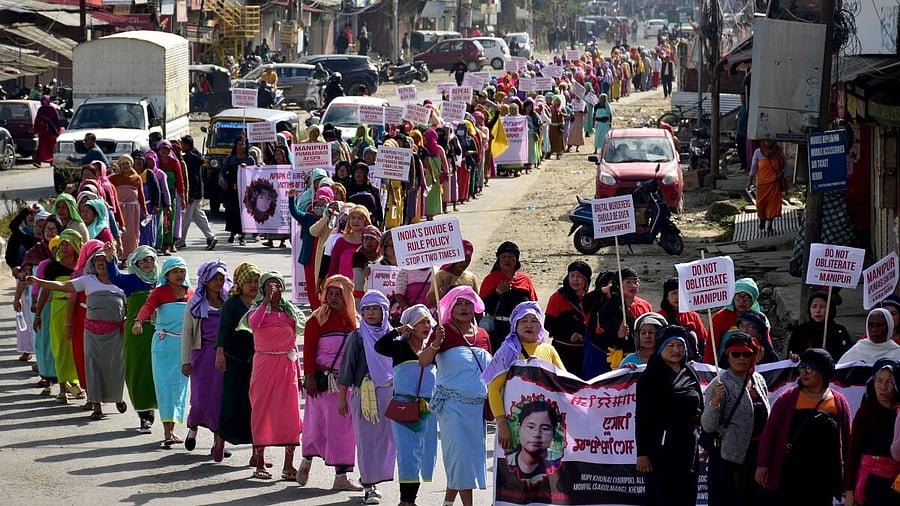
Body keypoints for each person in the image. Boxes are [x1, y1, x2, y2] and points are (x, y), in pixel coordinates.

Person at [28, 246, 128, 420]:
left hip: (115, 333)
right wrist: (39, 282)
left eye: (104, 260)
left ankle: (117, 398)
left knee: (115, 367)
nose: (100, 263)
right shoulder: (87, 280)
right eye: (97, 260)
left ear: (112, 262)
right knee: (93, 367)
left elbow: (130, 306)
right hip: (92, 332)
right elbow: (63, 286)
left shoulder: (121, 282)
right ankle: (96, 405)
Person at [419, 286, 492, 506]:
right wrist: (435, 344)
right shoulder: (442, 332)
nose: (463, 307)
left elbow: (491, 373)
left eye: (467, 303)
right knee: (461, 458)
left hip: (476, 409)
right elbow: (423, 361)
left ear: (475, 307)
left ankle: (448, 503)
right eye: (458, 303)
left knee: (465, 458)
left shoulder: (483, 335)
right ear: (450, 307)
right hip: (451, 407)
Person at [756, 348, 851, 506]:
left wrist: (847, 477)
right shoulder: (787, 399)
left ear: (823, 372)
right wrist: (763, 464)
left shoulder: (838, 402)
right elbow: (770, 433)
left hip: (823, 477)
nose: (804, 373)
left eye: (809, 368)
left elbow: (847, 440)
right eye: (802, 368)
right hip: (792, 473)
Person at [298, 275, 363, 491]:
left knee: (344, 429)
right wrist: (309, 377)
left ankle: (341, 476)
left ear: (347, 297)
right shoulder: (316, 319)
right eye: (330, 293)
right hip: (322, 383)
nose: (334, 298)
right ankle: (307, 460)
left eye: (339, 294)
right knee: (316, 425)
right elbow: (307, 350)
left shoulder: (354, 320)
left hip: (345, 384)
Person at [238, 271, 304, 480]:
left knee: (290, 414)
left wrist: (300, 374)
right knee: (262, 411)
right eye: (268, 285)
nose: (273, 289)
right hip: (264, 365)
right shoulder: (256, 310)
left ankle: (288, 465)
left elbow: (294, 340)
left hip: (287, 366)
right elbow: (254, 324)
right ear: (262, 289)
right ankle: (259, 462)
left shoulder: (289, 312)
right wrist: (265, 302)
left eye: (277, 285)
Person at [375, 305, 439, 506]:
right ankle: (406, 500)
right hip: (404, 407)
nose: (426, 326)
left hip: (427, 409)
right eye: (421, 321)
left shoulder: (432, 349)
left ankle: (411, 499)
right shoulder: (399, 346)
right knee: (408, 455)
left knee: (422, 454)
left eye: (428, 321)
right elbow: (380, 347)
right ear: (411, 325)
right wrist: (398, 330)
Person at [337, 290, 396, 504]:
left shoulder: (393, 335)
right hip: (365, 395)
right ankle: (370, 487)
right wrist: (342, 398)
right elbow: (347, 369)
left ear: (384, 311)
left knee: (388, 441)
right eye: (367, 309)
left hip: (390, 394)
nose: (371, 313)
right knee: (367, 441)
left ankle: (374, 478)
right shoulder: (358, 336)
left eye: (375, 309)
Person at [483, 302, 565, 453]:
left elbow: (566, 383)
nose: (529, 325)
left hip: (545, 425)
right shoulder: (508, 350)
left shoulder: (549, 350)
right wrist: (501, 423)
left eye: (534, 321)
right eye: (523, 320)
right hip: (514, 425)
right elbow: (493, 388)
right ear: (515, 324)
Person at [635, 326, 703, 506]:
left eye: (680, 345)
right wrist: (643, 453)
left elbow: (699, 409)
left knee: (687, 493)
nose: (676, 350)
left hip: (688, 446)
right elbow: (642, 417)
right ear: (660, 348)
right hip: (661, 448)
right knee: (662, 496)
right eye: (670, 345)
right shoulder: (649, 377)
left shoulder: (690, 372)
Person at [701, 333, 771, 506]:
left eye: (746, 354)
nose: (741, 358)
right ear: (728, 356)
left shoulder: (758, 380)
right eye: (736, 354)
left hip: (756, 456)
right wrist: (715, 401)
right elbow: (708, 426)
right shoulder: (719, 384)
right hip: (729, 458)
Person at [134, 257, 193, 446]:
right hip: (163, 345)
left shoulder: (192, 294)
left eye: (182, 271)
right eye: (175, 271)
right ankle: (167, 432)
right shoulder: (159, 293)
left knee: (179, 389)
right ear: (166, 274)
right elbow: (147, 308)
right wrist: (138, 322)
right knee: (165, 386)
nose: (179, 275)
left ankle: (172, 430)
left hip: (184, 348)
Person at [105, 245, 159, 432]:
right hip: (137, 334)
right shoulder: (131, 281)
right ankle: (145, 414)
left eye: (149, 259)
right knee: (139, 371)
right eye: (142, 261)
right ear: (135, 264)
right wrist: (110, 257)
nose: (146, 264)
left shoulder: (163, 280)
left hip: (161, 332)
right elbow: (115, 277)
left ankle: (167, 415)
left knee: (160, 371)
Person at [181, 261, 229, 460]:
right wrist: (186, 361)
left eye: (221, 278)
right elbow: (187, 333)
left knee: (220, 398)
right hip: (201, 355)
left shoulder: (227, 302)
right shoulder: (196, 302)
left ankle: (218, 442)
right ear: (206, 281)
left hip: (223, 356)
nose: (218, 282)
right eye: (214, 278)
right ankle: (193, 428)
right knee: (200, 397)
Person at [215, 262, 263, 463]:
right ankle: (219, 443)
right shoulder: (232, 304)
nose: (253, 286)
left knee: (257, 407)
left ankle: (256, 454)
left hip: (258, 362)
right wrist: (220, 353)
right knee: (231, 404)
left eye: (256, 282)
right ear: (240, 283)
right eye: (249, 282)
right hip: (234, 361)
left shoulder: (263, 303)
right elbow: (223, 331)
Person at [844, 358, 900, 506]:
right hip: (869, 484)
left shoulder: (899, 413)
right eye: (879, 381)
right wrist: (849, 490)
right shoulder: (866, 412)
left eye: (889, 382)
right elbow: (853, 451)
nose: (883, 387)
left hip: (896, 484)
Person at [586, 268, 652, 375]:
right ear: (618, 285)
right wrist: (617, 335)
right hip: (615, 360)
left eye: (635, 282)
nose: (633, 285)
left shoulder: (645, 305)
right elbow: (599, 339)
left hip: (644, 358)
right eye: (628, 282)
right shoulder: (608, 309)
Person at [479, 242, 539, 353]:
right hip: (498, 331)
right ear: (498, 260)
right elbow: (482, 307)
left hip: (521, 329)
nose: (507, 260)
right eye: (504, 257)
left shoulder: (525, 280)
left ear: (516, 260)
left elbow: (533, 307)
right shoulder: (491, 279)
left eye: (511, 257)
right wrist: (497, 292)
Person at [544, 261, 591, 378]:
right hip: (562, 351)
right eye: (572, 276)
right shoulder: (558, 297)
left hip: (585, 351)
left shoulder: (590, 298)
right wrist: (570, 334)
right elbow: (549, 324)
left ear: (586, 280)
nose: (575, 280)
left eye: (579, 276)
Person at [704, 278, 766, 364]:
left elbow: (767, 344)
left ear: (753, 301)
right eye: (738, 297)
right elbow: (711, 348)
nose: (742, 301)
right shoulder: (720, 317)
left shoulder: (759, 318)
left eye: (747, 297)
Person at [789, 291, 854, 362]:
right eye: (814, 306)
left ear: (830, 309)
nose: (817, 310)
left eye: (822, 307)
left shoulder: (839, 331)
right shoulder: (801, 331)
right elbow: (792, 355)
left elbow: (846, 357)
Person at [178, 136, 217, 251]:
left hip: (193, 193)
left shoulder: (190, 158)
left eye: (182, 144)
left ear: (187, 144)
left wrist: (190, 194)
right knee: (198, 215)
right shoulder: (196, 154)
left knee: (186, 217)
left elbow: (193, 178)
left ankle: (180, 241)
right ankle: (210, 237)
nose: (181, 147)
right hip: (199, 191)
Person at [657, 277, 708, 361]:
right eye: (674, 293)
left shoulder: (693, 315)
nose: (678, 297)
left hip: (692, 362)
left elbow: (702, 341)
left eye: (681, 293)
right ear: (667, 296)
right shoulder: (659, 317)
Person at [108, 155, 147, 259]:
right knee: (120, 233)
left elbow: (141, 196)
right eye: (123, 164)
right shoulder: (114, 178)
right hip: (119, 210)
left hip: (133, 211)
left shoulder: (136, 178)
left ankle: (130, 257)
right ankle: (119, 256)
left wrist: (145, 210)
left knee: (131, 234)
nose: (125, 166)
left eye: (127, 163)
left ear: (131, 165)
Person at [219, 137, 254, 245]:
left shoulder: (250, 159)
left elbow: (256, 174)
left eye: (242, 144)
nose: (240, 147)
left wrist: (247, 168)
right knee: (232, 212)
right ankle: (232, 233)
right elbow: (223, 171)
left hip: (246, 192)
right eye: (238, 144)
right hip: (232, 190)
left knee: (243, 213)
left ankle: (242, 237)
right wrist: (221, 178)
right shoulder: (230, 159)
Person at [749, 140, 787, 234]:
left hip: (774, 182)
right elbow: (754, 167)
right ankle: (762, 219)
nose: (769, 143)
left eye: (770, 140)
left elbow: (785, 164)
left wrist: (781, 173)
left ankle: (770, 224)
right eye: (767, 141)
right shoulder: (758, 152)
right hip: (761, 184)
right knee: (761, 204)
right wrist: (750, 180)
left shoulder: (778, 152)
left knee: (773, 205)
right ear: (763, 141)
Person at [33, 96, 60, 168]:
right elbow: (37, 120)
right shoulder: (41, 109)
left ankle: (52, 161)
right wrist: (36, 130)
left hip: (51, 132)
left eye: (45, 100)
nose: (44, 102)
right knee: (41, 147)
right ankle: (38, 161)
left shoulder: (52, 109)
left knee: (51, 147)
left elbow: (56, 120)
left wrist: (57, 130)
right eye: (43, 100)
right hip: (43, 132)